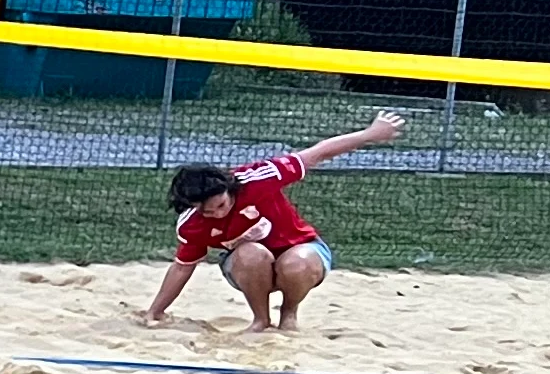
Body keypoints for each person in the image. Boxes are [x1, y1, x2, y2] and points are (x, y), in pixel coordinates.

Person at [141, 111, 407, 333]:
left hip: (303, 251)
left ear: (228, 188)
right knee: (250, 253)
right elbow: (182, 267)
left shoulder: (258, 179)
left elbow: (315, 154)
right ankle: (261, 320)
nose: (218, 214)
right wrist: (156, 311)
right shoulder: (191, 224)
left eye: (221, 205)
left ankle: (289, 315)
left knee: (295, 263)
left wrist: (370, 134)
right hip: (251, 268)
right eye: (208, 213)